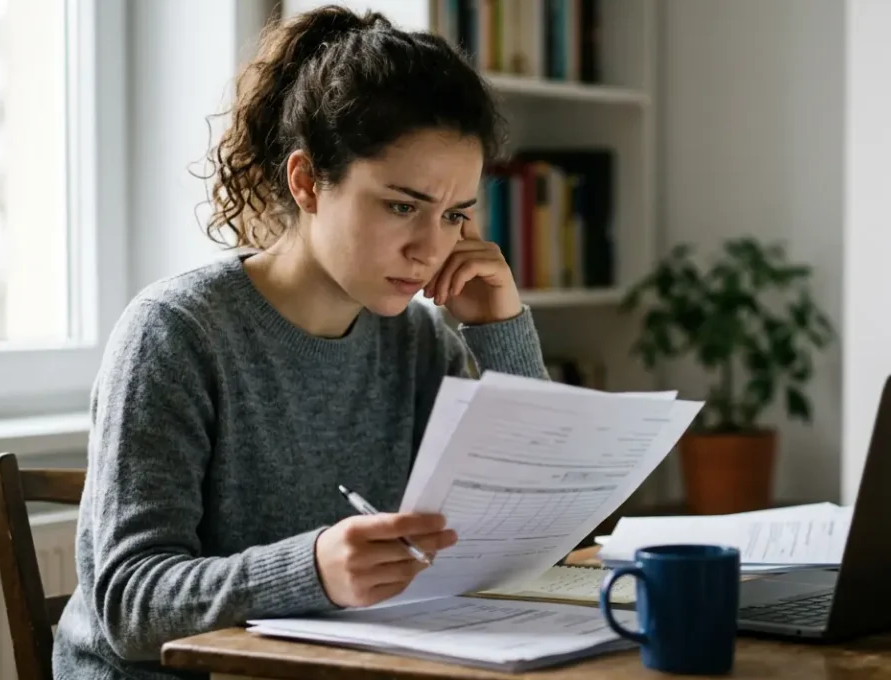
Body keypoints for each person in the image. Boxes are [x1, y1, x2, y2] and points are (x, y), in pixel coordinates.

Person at [52, 6, 549, 679]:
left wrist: (501, 330)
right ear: (307, 181)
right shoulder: (176, 332)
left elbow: (532, 518)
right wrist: (311, 570)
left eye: (455, 214)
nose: (432, 248)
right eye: (402, 206)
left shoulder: (421, 343)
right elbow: (128, 606)